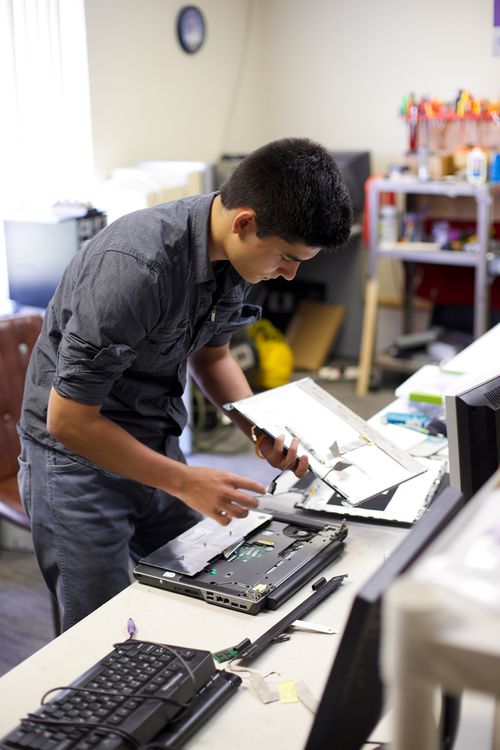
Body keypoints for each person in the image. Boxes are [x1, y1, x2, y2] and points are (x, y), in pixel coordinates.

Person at [18, 137, 353, 630]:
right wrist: (184, 481)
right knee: (100, 634)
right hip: (75, 464)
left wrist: (258, 429)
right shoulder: (136, 268)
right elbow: (69, 421)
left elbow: (213, 356)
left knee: (199, 593)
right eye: (286, 257)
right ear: (244, 223)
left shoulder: (234, 255)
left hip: (152, 442)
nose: (288, 274)